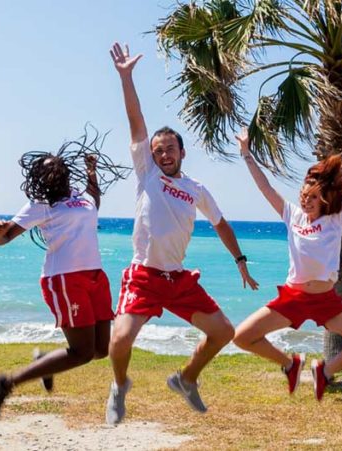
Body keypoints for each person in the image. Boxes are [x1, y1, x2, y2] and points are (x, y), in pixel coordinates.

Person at [106, 42, 258, 425]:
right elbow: (136, 122)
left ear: (182, 152)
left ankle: (186, 378)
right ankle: (119, 385)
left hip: (178, 280)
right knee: (120, 339)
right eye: (158, 150)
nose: (163, 154)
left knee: (223, 332)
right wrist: (126, 78)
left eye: (170, 148)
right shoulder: (147, 173)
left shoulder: (196, 189)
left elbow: (221, 224)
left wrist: (240, 260)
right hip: (144, 277)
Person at [231, 123, 342, 400]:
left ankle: (325, 371)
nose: (306, 200)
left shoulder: (336, 219)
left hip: (325, 301)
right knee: (241, 337)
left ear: (324, 199)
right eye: (303, 195)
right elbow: (265, 187)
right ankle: (290, 364)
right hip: (292, 298)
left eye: (313, 197)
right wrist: (246, 152)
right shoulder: (292, 215)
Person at [0, 135, 122, 419]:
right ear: (41, 179)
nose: (55, 174)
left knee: (100, 349)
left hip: (95, 276)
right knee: (82, 352)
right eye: (48, 172)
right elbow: (4, 238)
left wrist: (92, 172)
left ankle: (46, 361)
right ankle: (5, 383)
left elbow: (94, 202)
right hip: (65, 279)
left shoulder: (79, 196)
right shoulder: (41, 204)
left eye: (58, 169)